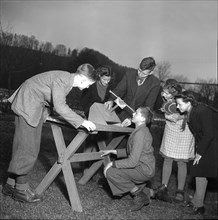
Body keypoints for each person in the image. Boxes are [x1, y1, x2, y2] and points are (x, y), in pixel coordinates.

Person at [2, 64, 98, 203]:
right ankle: (21, 190)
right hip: (27, 105)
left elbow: (50, 97)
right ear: (83, 78)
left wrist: (51, 114)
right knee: (27, 148)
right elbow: (60, 106)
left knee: (28, 146)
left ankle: (11, 185)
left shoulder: (67, 80)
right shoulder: (63, 80)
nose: (88, 87)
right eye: (89, 84)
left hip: (33, 106)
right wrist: (82, 122)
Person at [101, 107, 156, 212]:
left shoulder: (140, 133)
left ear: (143, 119)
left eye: (137, 113)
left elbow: (132, 161)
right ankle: (150, 192)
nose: (133, 113)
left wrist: (112, 163)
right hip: (145, 167)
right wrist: (114, 151)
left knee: (111, 172)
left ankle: (139, 195)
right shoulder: (141, 130)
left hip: (143, 169)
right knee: (120, 174)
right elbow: (133, 151)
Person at [175, 90, 218, 215]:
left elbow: (208, 134)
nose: (177, 107)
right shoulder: (191, 112)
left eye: (179, 104)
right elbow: (199, 134)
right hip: (208, 141)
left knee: (200, 170)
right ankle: (197, 203)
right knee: (200, 171)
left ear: (189, 102)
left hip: (213, 142)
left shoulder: (202, 111)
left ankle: (198, 205)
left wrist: (200, 152)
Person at [155, 79, 195, 203]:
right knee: (167, 159)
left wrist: (179, 116)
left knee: (181, 162)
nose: (163, 95)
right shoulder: (165, 100)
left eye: (167, 93)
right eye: (163, 92)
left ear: (174, 93)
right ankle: (163, 187)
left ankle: (180, 191)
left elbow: (190, 110)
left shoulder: (183, 96)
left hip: (184, 131)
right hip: (171, 130)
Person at [104, 57, 160, 126]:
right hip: (122, 113)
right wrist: (111, 100)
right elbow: (119, 90)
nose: (140, 74)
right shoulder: (129, 74)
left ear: (151, 72)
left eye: (144, 74)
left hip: (139, 119)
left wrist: (132, 119)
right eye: (139, 70)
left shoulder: (155, 83)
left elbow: (148, 107)